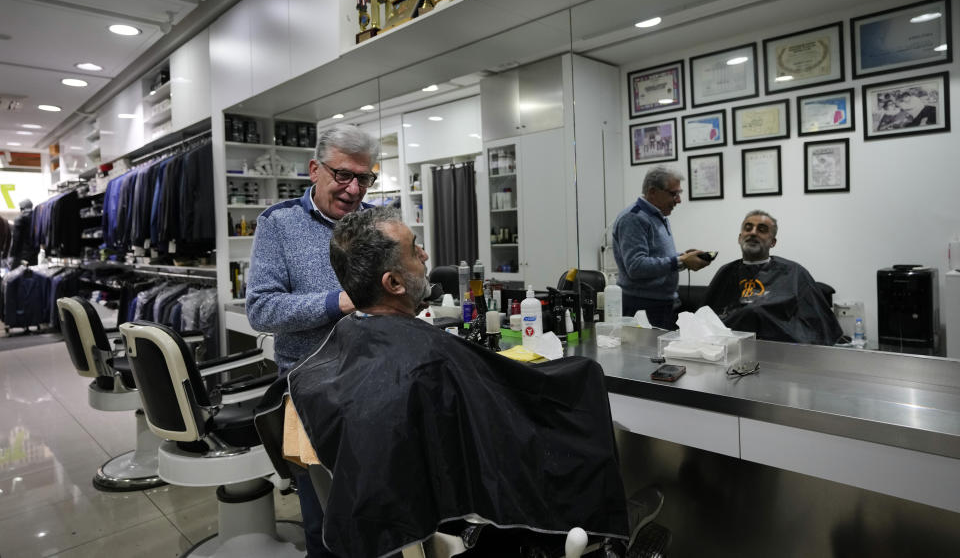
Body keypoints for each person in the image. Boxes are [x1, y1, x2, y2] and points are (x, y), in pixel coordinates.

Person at [256, 207, 635, 557]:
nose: (424, 256)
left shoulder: (345, 343)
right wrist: (581, 375)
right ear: (393, 283)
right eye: (414, 249)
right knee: (580, 381)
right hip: (452, 530)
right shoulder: (426, 363)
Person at [246, 124, 379, 558]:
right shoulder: (279, 225)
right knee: (325, 521)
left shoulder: (379, 222)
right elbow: (262, 310)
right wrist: (336, 302)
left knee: (382, 510)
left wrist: (413, 277)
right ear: (313, 170)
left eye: (364, 178)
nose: (353, 188)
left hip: (377, 388)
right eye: (342, 174)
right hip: (309, 396)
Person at [702, 210, 844, 345]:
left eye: (762, 230)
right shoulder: (726, 272)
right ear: (739, 238)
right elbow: (705, 321)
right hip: (729, 351)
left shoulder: (794, 272)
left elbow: (817, 327)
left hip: (781, 354)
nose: (753, 233)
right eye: (748, 228)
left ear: (773, 242)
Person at [612, 166, 711, 328]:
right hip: (643, 307)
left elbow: (655, 257)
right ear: (652, 192)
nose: (678, 200)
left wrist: (684, 257)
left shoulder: (658, 216)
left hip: (661, 304)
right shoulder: (634, 218)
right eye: (674, 194)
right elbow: (636, 267)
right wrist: (680, 261)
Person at [8, 198, 38, 269]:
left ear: (22, 208)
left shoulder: (20, 219)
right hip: (34, 255)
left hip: (21, 255)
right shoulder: (37, 218)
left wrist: (12, 255)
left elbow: (16, 239)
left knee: (16, 276)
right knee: (30, 276)